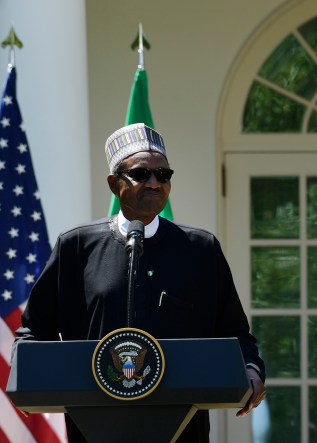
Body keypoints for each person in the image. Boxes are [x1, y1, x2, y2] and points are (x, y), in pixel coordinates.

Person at [16, 123, 266, 442]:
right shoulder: (76, 247)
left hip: (182, 430)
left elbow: (236, 334)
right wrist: (28, 376)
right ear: (113, 183)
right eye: (141, 174)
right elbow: (34, 331)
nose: (154, 183)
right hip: (94, 428)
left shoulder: (200, 249)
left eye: (163, 175)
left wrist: (252, 371)